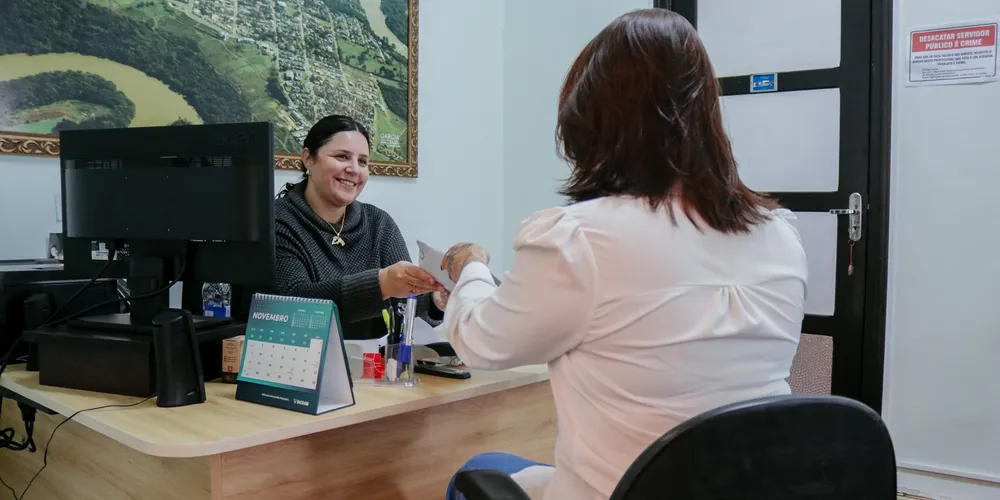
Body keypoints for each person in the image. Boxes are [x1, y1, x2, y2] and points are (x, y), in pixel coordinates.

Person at [440, 9, 808, 500]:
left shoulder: (579, 239)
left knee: (477, 470)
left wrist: (471, 266)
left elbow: (483, 346)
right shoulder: (780, 234)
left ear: (589, 124)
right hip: (743, 487)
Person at [274, 115, 445, 340]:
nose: (354, 169)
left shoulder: (379, 223)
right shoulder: (277, 221)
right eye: (342, 156)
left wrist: (436, 299)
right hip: (299, 363)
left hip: (373, 367)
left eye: (363, 161)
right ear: (308, 158)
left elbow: (402, 304)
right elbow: (292, 304)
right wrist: (381, 284)